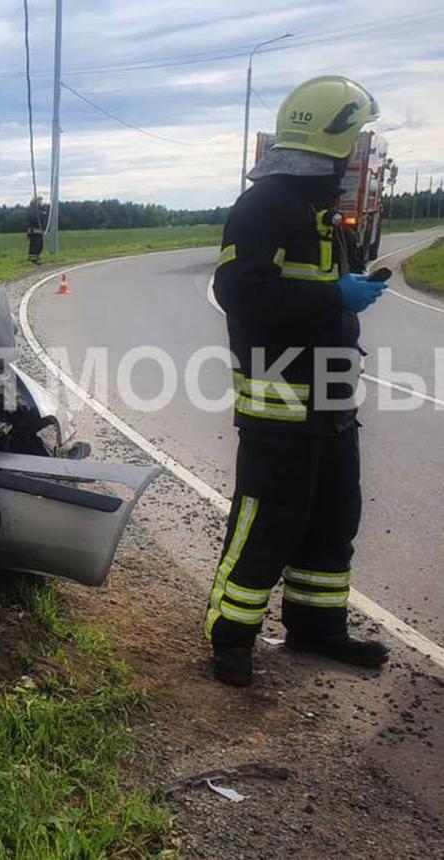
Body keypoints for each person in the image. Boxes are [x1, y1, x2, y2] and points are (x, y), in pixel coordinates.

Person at [207, 76, 390, 686]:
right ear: (331, 137)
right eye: (356, 136)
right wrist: (333, 294)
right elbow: (239, 292)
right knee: (267, 521)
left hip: (333, 394)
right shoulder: (263, 206)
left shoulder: (318, 210)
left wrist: (349, 289)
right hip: (281, 399)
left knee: (334, 517)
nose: (360, 149)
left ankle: (318, 628)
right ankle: (231, 639)